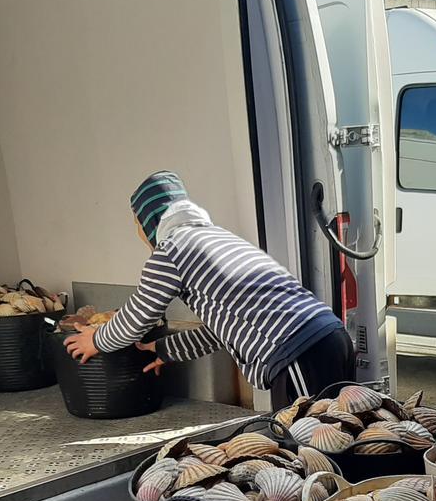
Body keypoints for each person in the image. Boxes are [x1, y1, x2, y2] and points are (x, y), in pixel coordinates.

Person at [63, 171, 353, 403]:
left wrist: (97, 339)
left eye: (137, 226)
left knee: (313, 451)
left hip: (296, 353)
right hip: (330, 338)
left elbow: (139, 315)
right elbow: (223, 333)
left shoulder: (171, 249)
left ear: (149, 222)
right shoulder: (219, 239)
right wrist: (166, 349)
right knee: (343, 438)